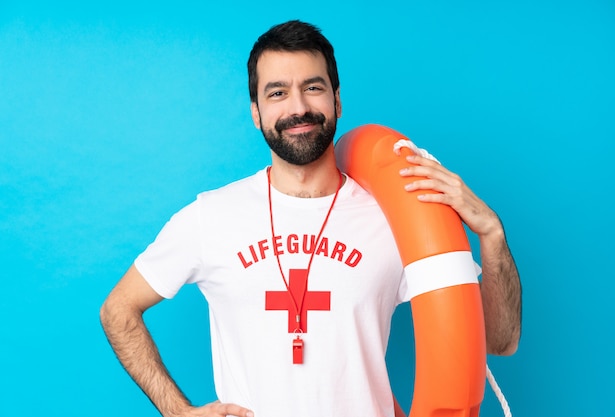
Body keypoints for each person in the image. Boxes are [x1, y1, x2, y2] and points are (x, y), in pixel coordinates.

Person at [100, 20, 521, 417]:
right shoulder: (210, 217)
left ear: (337, 100)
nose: (298, 107)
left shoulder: (394, 217)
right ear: (256, 112)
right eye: (277, 92)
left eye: (313, 87)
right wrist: (178, 411)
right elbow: (118, 310)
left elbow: (499, 341)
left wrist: (492, 234)